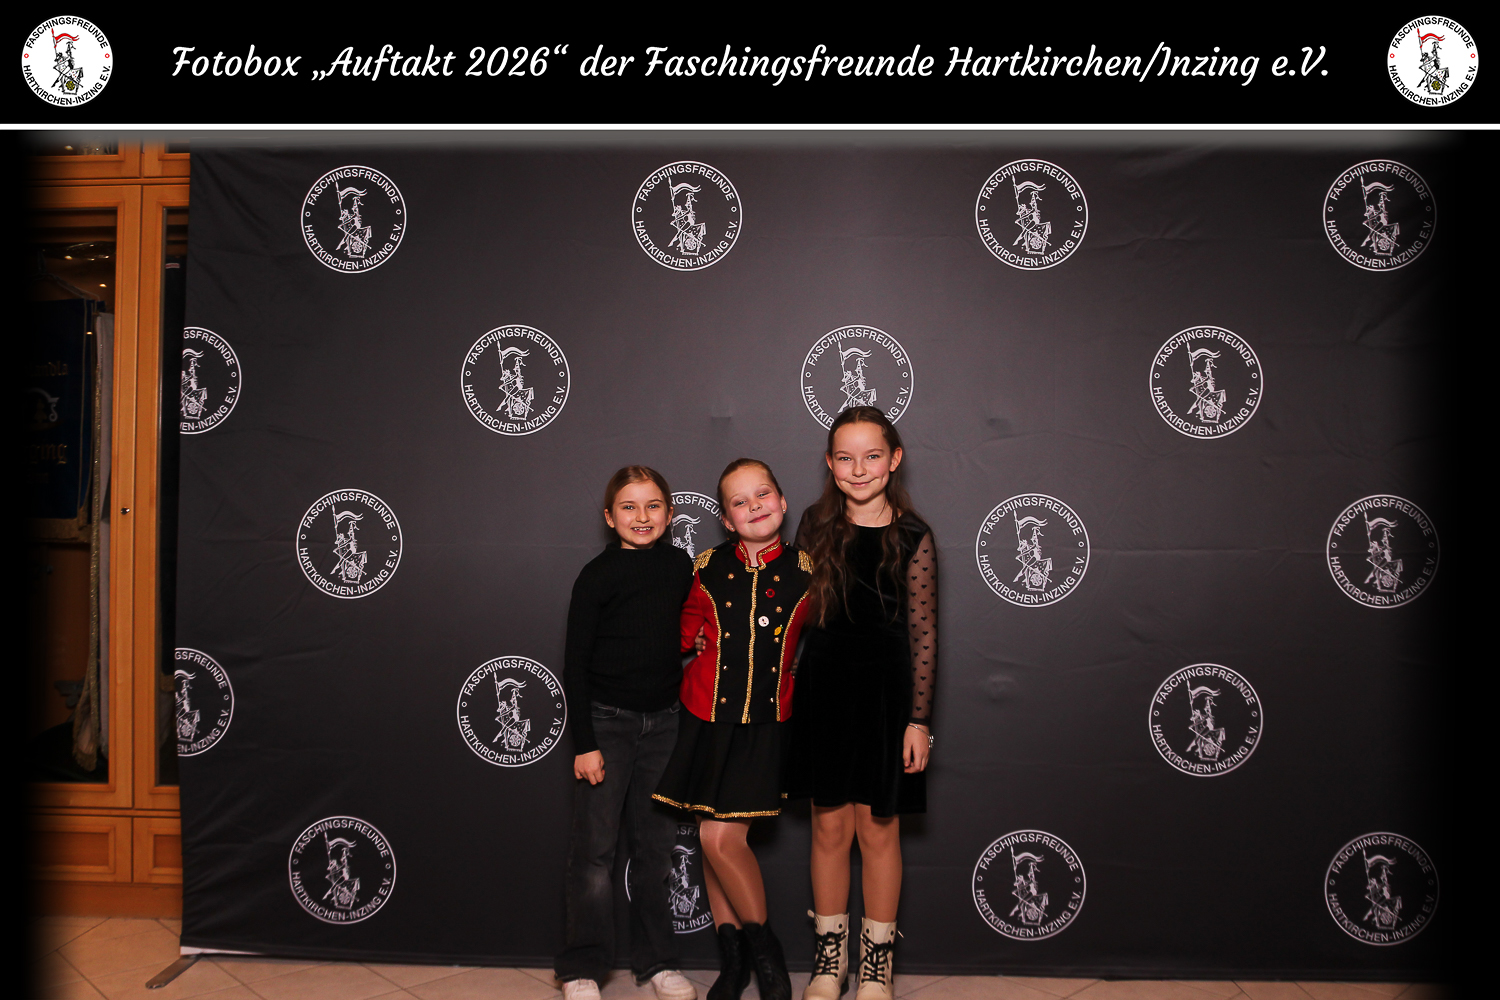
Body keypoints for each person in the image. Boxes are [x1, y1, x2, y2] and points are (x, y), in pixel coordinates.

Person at [785, 407, 937, 1000]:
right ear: (830, 463)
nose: (859, 469)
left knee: (878, 830)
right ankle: (831, 962)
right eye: (845, 458)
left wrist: (918, 721)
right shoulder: (814, 524)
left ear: (894, 459)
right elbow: (791, 613)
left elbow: (923, 634)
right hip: (823, 690)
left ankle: (877, 967)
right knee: (828, 827)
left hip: (885, 697)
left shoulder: (913, 536)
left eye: (872, 456)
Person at [653, 459, 814, 1000]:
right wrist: (691, 640)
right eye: (739, 502)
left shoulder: (810, 571)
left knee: (721, 838)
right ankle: (736, 962)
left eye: (762, 494)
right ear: (725, 519)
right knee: (708, 839)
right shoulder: (705, 567)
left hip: (764, 723)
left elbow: (834, 640)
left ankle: (768, 956)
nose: (754, 507)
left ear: (783, 501)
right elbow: (679, 633)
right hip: (704, 718)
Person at [555, 467, 699, 1000]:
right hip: (607, 724)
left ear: (670, 513)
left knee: (656, 851)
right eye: (630, 507)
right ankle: (581, 967)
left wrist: (696, 642)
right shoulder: (597, 575)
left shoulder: (680, 566)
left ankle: (657, 961)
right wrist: (586, 744)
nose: (642, 517)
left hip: (664, 723)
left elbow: (676, 628)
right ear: (609, 516)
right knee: (594, 853)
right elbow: (575, 664)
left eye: (653, 506)